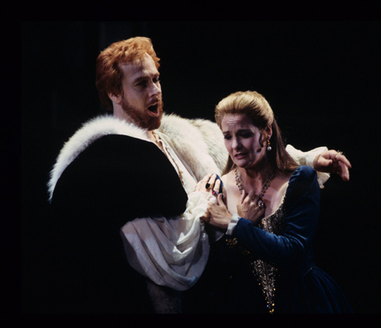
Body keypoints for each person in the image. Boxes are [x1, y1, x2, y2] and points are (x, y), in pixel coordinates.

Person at [43, 37, 352, 313]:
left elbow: (243, 151)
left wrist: (307, 159)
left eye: (156, 79)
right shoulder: (121, 165)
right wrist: (230, 217)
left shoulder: (178, 135)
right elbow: (171, 259)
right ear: (114, 93)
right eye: (141, 84)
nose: (155, 91)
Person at [196, 91, 353, 313]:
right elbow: (218, 270)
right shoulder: (217, 190)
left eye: (244, 134)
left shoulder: (300, 180)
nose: (235, 146)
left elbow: (294, 252)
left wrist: (234, 224)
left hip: (304, 302)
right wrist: (241, 222)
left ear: (266, 132)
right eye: (228, 136)